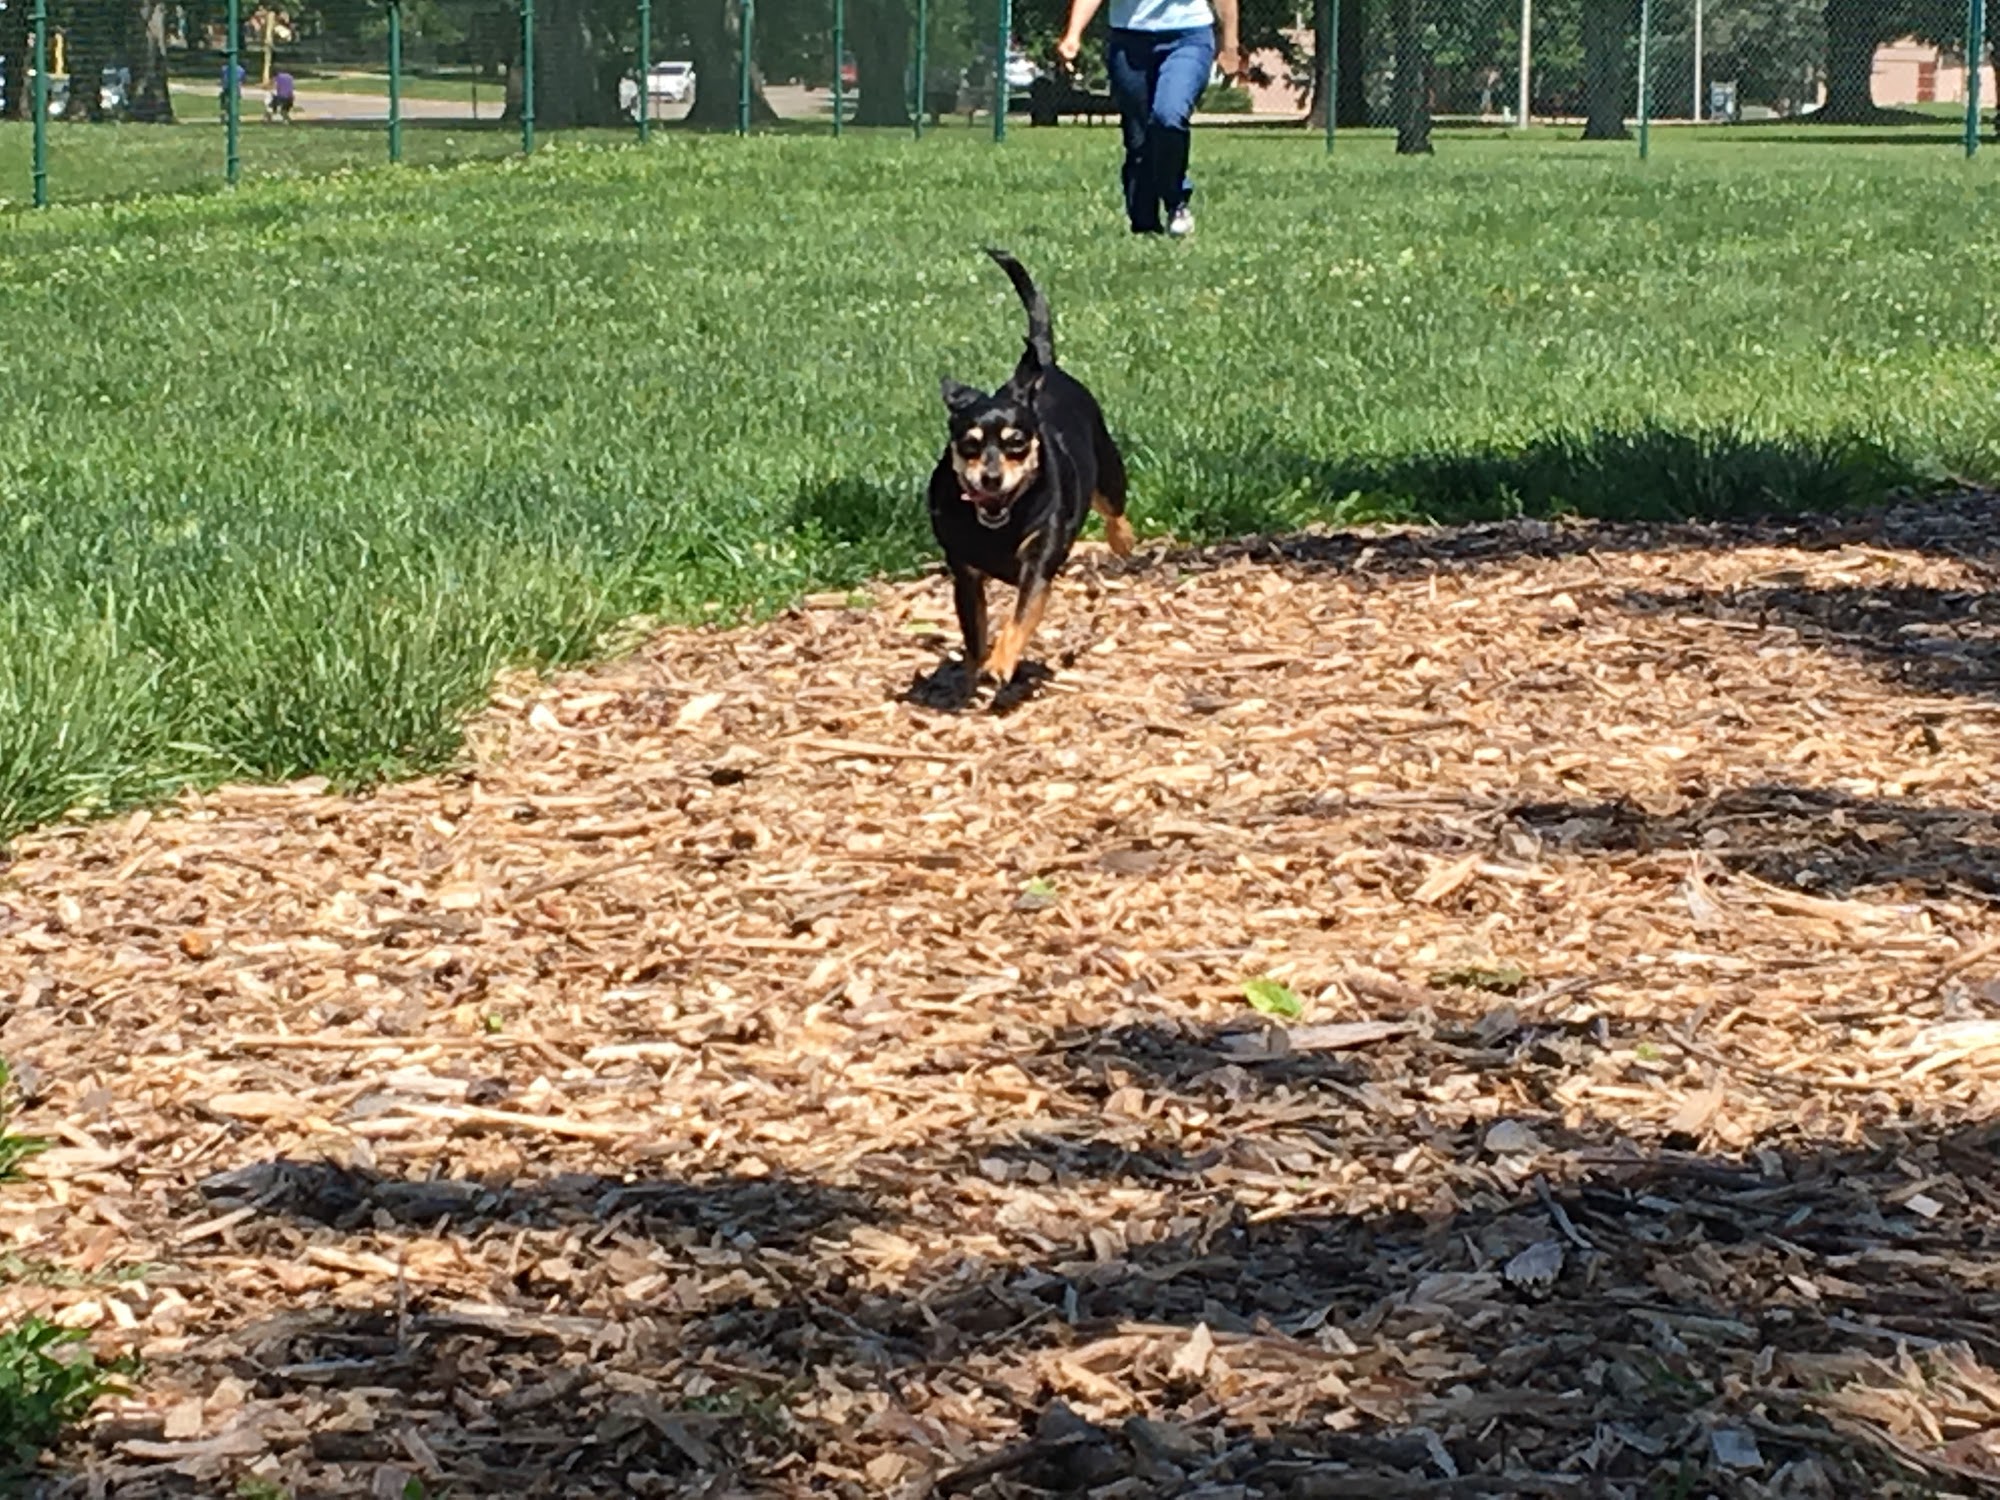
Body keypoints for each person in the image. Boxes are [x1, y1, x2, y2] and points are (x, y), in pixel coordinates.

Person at [1056, 0, 1242, 238]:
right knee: (1138, 138)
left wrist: (1230, 46)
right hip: (1128, 39)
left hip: (1187, 36)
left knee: (1169, 115)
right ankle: (1144, 227)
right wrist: (1073, 34)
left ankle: (1176, 202)